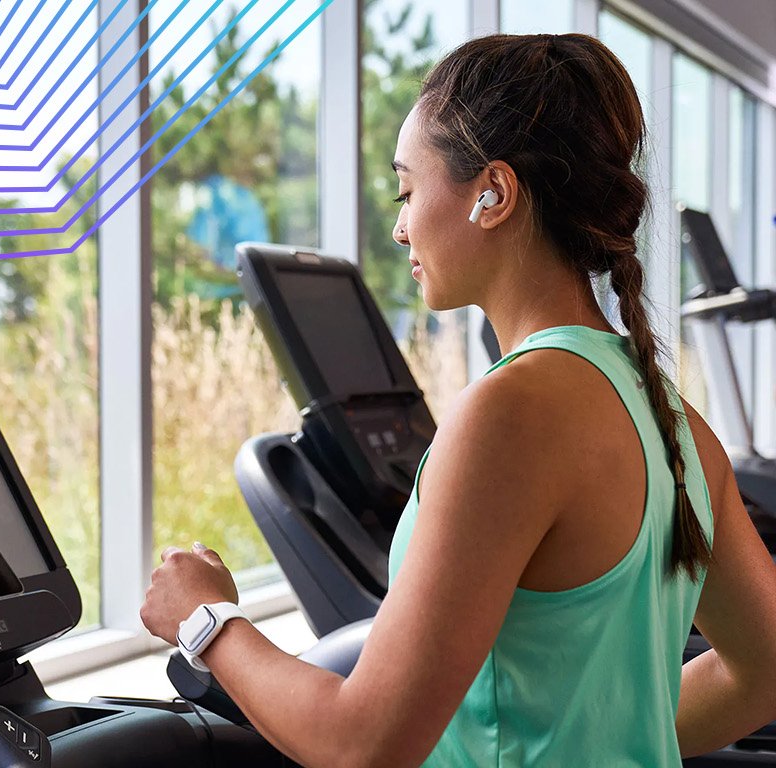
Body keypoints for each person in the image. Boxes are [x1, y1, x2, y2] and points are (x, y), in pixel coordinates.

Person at [141, 34, 776, 766]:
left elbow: (361, 744)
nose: (400, 226)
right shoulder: (672, 418)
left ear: (493, 194)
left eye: (408, 191)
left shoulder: (510, 415)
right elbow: (763, 675)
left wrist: (207, 620)